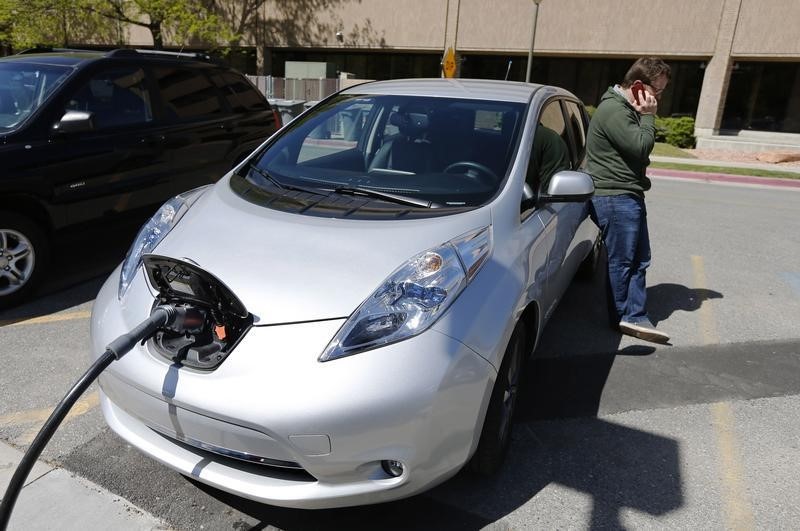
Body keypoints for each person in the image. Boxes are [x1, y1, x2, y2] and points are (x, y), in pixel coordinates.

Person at [586, 57, 671, 343]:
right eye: (656, 92)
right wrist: (649, 116)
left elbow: (639, 151)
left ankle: (635, 314)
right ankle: (624, 316)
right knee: (623, 261)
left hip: (628, 193)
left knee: (639, 259)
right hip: (615, 195)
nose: (658, 98)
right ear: (638, 86)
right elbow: (641, 147)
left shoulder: (624, 108)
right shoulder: (613, 110)